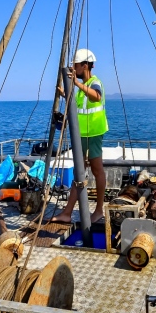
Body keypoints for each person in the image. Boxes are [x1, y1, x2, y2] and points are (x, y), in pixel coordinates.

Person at [52, 49, 108, 224]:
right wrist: (64, 92)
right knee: (79, 173)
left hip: (94, 134)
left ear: (85, 65)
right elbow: (79, 107)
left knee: (97, 170)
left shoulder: (94, 82)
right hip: (81, 135)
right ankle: (67, 212)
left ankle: (98, 210)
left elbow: (96, 97)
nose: (73, 68)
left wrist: (75, 83)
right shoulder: (80, 86)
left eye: (76, 65)